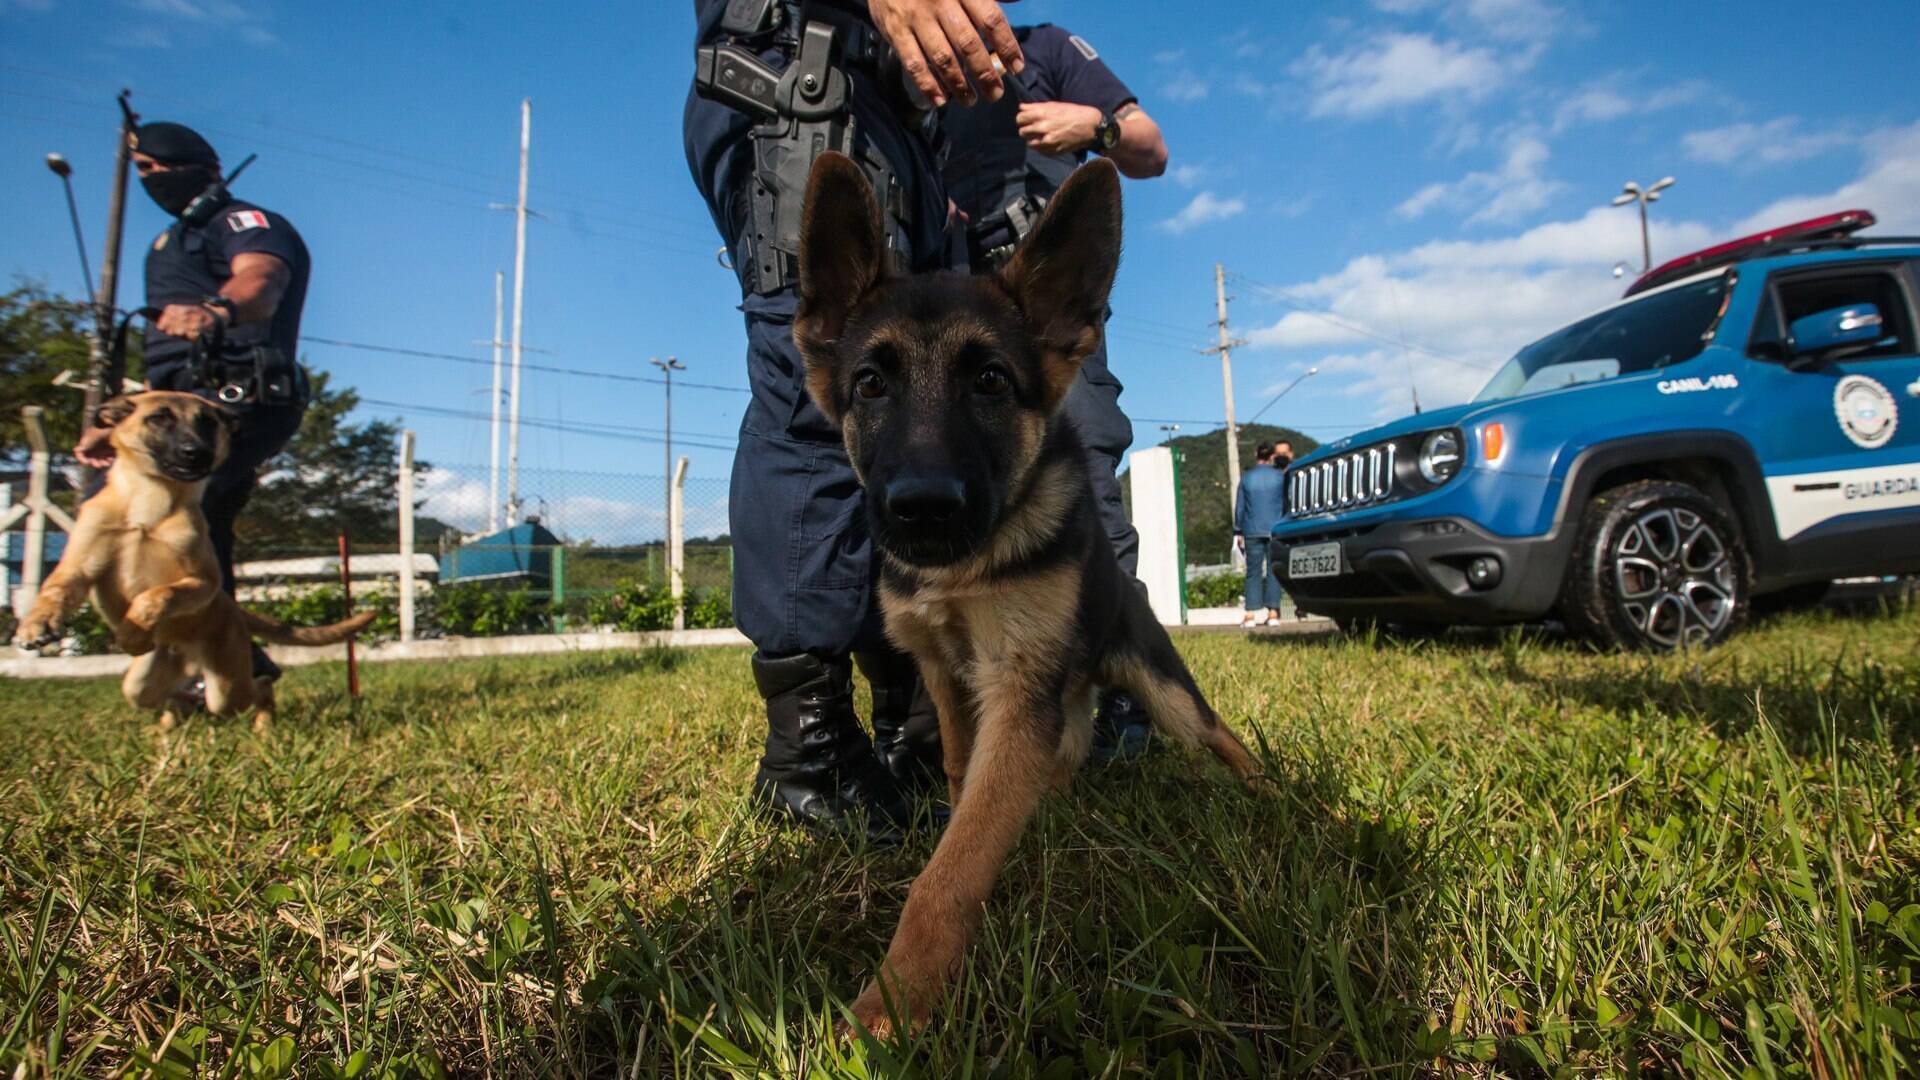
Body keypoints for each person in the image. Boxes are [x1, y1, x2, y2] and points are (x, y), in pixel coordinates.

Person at [685, 0, 1026, 841]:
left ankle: (905, 732)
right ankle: (809, 755)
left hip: (894, 121)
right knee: (824, 406)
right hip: (799, 76)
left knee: (918, 418)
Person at [940, 21, 1167, 757]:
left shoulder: (1047, 49)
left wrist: (1094, 124)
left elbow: (1151, 149)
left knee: (1089, 481)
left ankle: (1125, 698)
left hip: (1035, 312)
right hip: (935, 310)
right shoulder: (902, 34)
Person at [73, 120, 311, 687]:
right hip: (179, 402)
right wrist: (112, 426)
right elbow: (165, 369)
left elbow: (263, 279)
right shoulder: (170, 244)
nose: (148, 180)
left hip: (237, 398)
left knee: (179, 516)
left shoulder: (242, 223)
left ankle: (207, 661)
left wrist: (218, 311)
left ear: (200, 166)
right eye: (140, 171)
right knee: (190, 522)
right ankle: (220, 658)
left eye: (156, 168)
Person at [1233, 442, 1286, 628]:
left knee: (1253, 572)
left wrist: (1238, 530)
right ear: (1272, 455)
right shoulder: (1280, 477)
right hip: (1275, 529)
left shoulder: (1247, 478)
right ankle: (1273, 614)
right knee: (1273, 572)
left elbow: (1240, 507)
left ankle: (1250, 615)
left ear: (1256, 454)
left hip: (1252, 529)